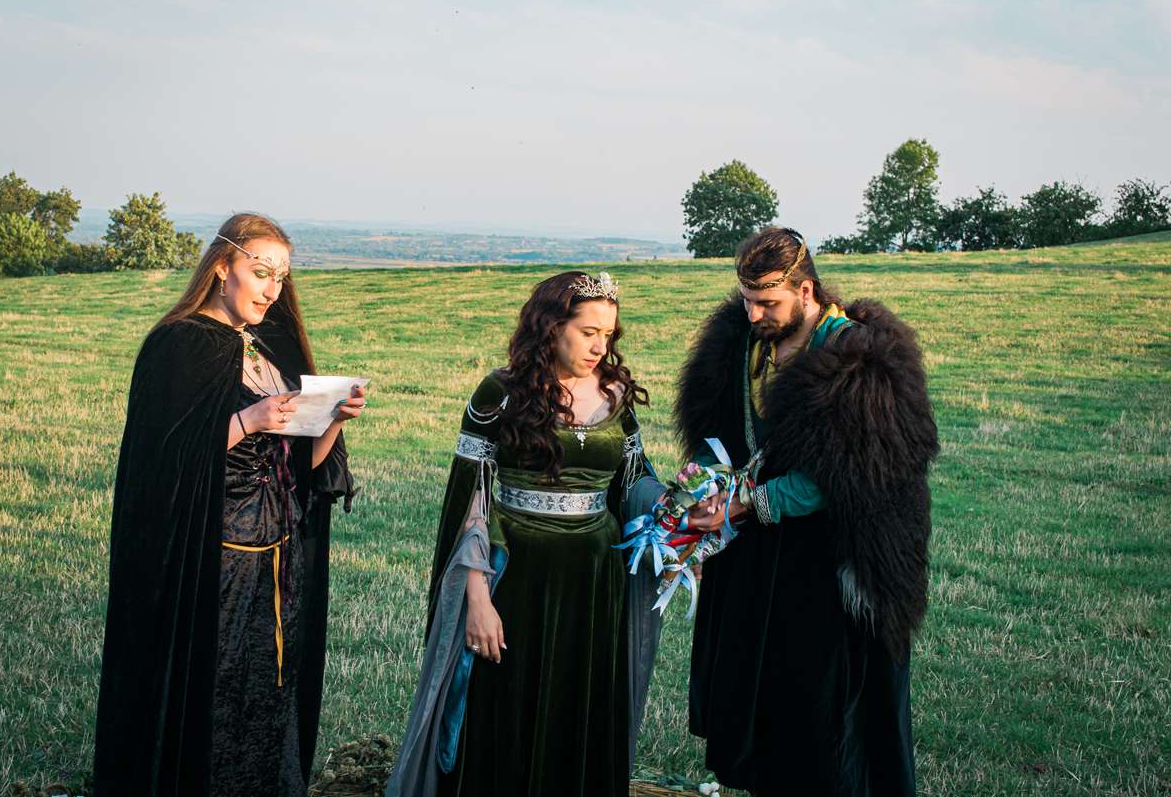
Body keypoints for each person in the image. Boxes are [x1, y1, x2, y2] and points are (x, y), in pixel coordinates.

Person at [93, 213, 360, 796]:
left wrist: (331, 423)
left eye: (281, 277)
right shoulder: (179, 344)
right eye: (261, 272)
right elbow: (162, 461)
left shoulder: (269, 348)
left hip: (278, 555)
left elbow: (302, 473)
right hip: (211, 557)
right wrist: (251, 418)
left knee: (268, 690)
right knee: (213, 688)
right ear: (222, 267)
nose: (272, 289)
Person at [676, 227, 939, 797]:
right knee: (766, 707)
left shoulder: (860, 359)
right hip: (758, 560)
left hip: (832, 559)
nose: (753, 315)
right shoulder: (741, 346)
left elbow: (846, 476)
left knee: (825, 721)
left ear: (806, 290)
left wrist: (750, 504)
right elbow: (717, 429)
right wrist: (707, 486)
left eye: (767, 303)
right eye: (747, 301)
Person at [387, 271, 665, 797]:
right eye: (588, 332)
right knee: (505, 706)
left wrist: (679, 508)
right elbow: (473, 502)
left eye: (609, 334)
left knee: (577, 706)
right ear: (551, 326)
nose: (600, 346)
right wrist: (477, 598)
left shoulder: (617, 393)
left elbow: (635, 482)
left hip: (594, 582)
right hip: (516, 579)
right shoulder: (501, 392)